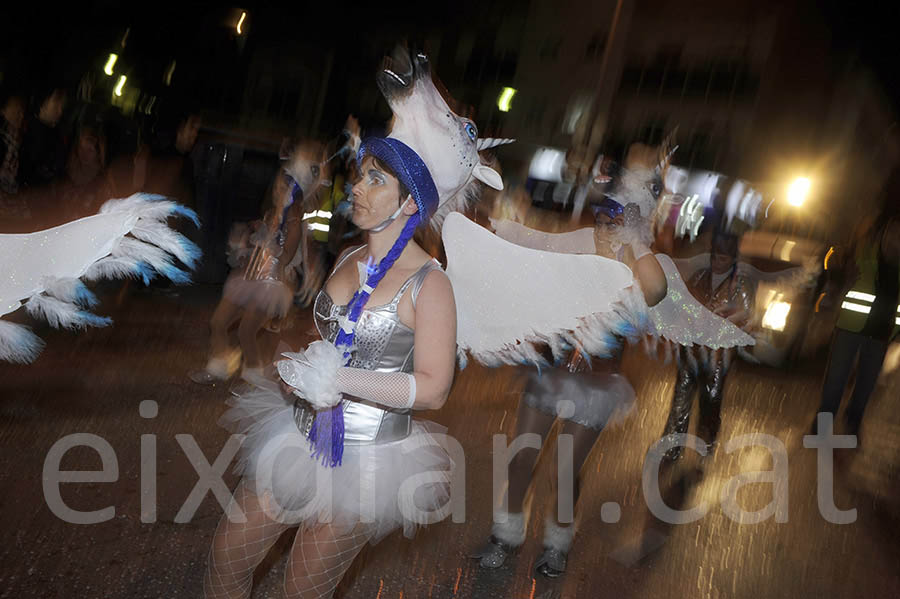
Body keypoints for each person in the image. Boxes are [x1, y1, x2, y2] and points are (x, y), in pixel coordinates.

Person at [202, 137, 457, 598]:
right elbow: (332, 341)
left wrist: (337, 380)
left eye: (375, 179)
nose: (356, 186)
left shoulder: (430, 284)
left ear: (409, 202)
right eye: (360, 175)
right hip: (297, 435)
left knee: (300, 591)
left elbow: (435, 388)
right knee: (226, 559)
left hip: (367, 463)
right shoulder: (348, 257)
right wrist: (298, 360)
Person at [472, 145, 670, 578]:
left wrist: (636, 242)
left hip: (597, 384)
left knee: (565, 470)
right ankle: (505, 535)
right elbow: (532, 242)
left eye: (623, 209)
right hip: (552, 369)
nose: (609, 216)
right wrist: (499, 210)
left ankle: (557, 543)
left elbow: (656, 292)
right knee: (522, 457)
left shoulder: (641, 261)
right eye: (609, 205)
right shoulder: (581, 241)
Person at [190, 141, 327, 385]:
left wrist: (269, 241)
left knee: (246, 332)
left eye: (281, 185)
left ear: (292, 189)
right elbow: (258, 248)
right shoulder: (270, 215)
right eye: (276, 184)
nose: (275, 188)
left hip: (270, 284)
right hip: (248, 277)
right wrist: (245, 244)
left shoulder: (294, 218)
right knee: (218, 322)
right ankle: (220, 365)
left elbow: (286, 257)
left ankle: (255, 378)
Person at [659, 228, 754, 461]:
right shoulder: (699, 277)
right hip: (691, 350)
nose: (717, 263)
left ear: (733, 259)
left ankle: (706, 441)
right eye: (714, 257)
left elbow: (746, 318)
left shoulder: (740, 287)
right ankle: (671, 449)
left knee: (710, 398)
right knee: (681, 398)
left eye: (723, 258)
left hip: (718, 356)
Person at [812, 208, 900, 439]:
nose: (895, 239)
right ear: (883, 234)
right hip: (851, 326)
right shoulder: (865, 253)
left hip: (881, 334)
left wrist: (896, 333)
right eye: (892, 233)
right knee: (836, 378)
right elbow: (840, 269)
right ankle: (823, 423)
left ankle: (853, 422)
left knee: (866, 384)